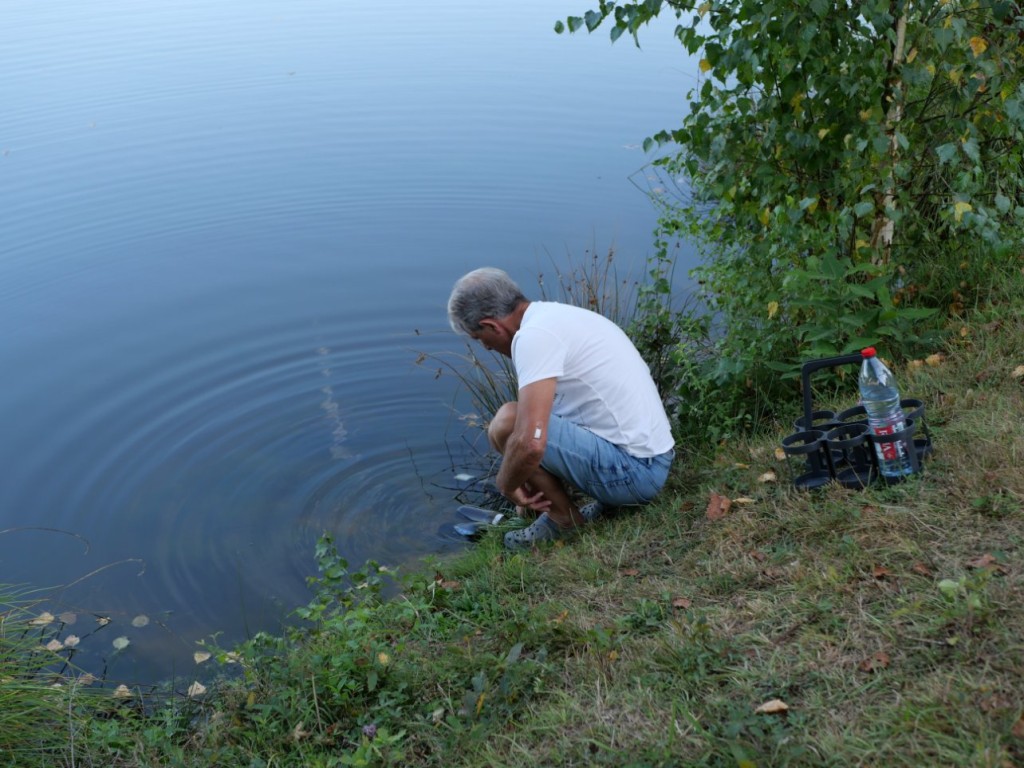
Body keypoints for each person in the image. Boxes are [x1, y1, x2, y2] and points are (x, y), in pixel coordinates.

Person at [447, 267, 675, 549]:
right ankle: (557, 505)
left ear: (492, 325)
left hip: (636, 475)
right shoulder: (555, 316)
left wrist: (506, 486)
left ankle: (563, 521)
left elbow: (531, 444)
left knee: (509, 422)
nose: (487, 348)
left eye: (479, 339)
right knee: (504, 431)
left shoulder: (534, 337)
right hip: (653, 461)